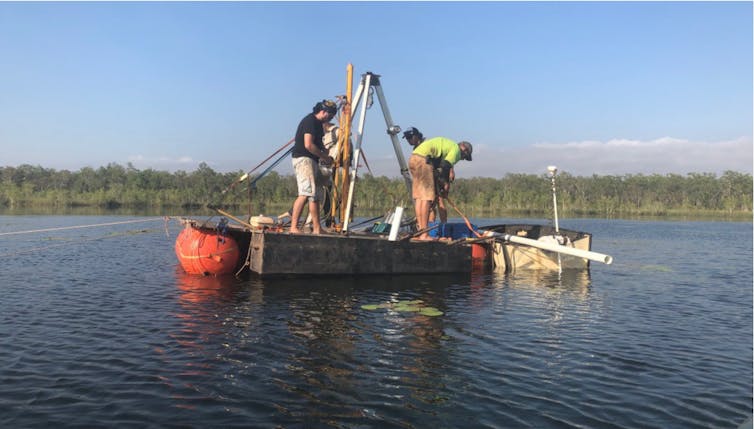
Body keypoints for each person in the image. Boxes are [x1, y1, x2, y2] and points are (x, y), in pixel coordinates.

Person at [408, 137, 472, 240]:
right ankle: (424, 234)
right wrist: (445, 183)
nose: (461, 159)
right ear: (464, 149)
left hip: (414, 159)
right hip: (423, 160)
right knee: (426, 198)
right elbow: (446, 165)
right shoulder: (456, 149)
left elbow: (439, 168)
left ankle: (420, 233)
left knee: (419, 198)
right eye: (464, 157)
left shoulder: (448, 145)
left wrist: (440, 183)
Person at [289, 99, 337, 234]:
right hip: (304, 160)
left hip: (312, 161)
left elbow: (319, 145)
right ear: (323, 112)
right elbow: (308, 145)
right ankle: (294, 227)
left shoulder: (318, 125)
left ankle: (317, 228)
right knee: (305, 193)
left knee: (313, 195)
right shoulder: (310, 121)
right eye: (331, 116)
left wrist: (326, 154)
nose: (331, 119)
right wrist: (324, 157)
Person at [403, 127, 452, 223]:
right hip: (427, 175)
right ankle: (429, 226)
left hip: (437, 174)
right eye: (407, 138)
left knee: (439, 200)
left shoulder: (427, 144)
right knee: (429, 203)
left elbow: (445, 157)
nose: (408, 140)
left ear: (416, 136)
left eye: (410, 137)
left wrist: (448, 174)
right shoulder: (416, 147)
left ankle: (443, 225)